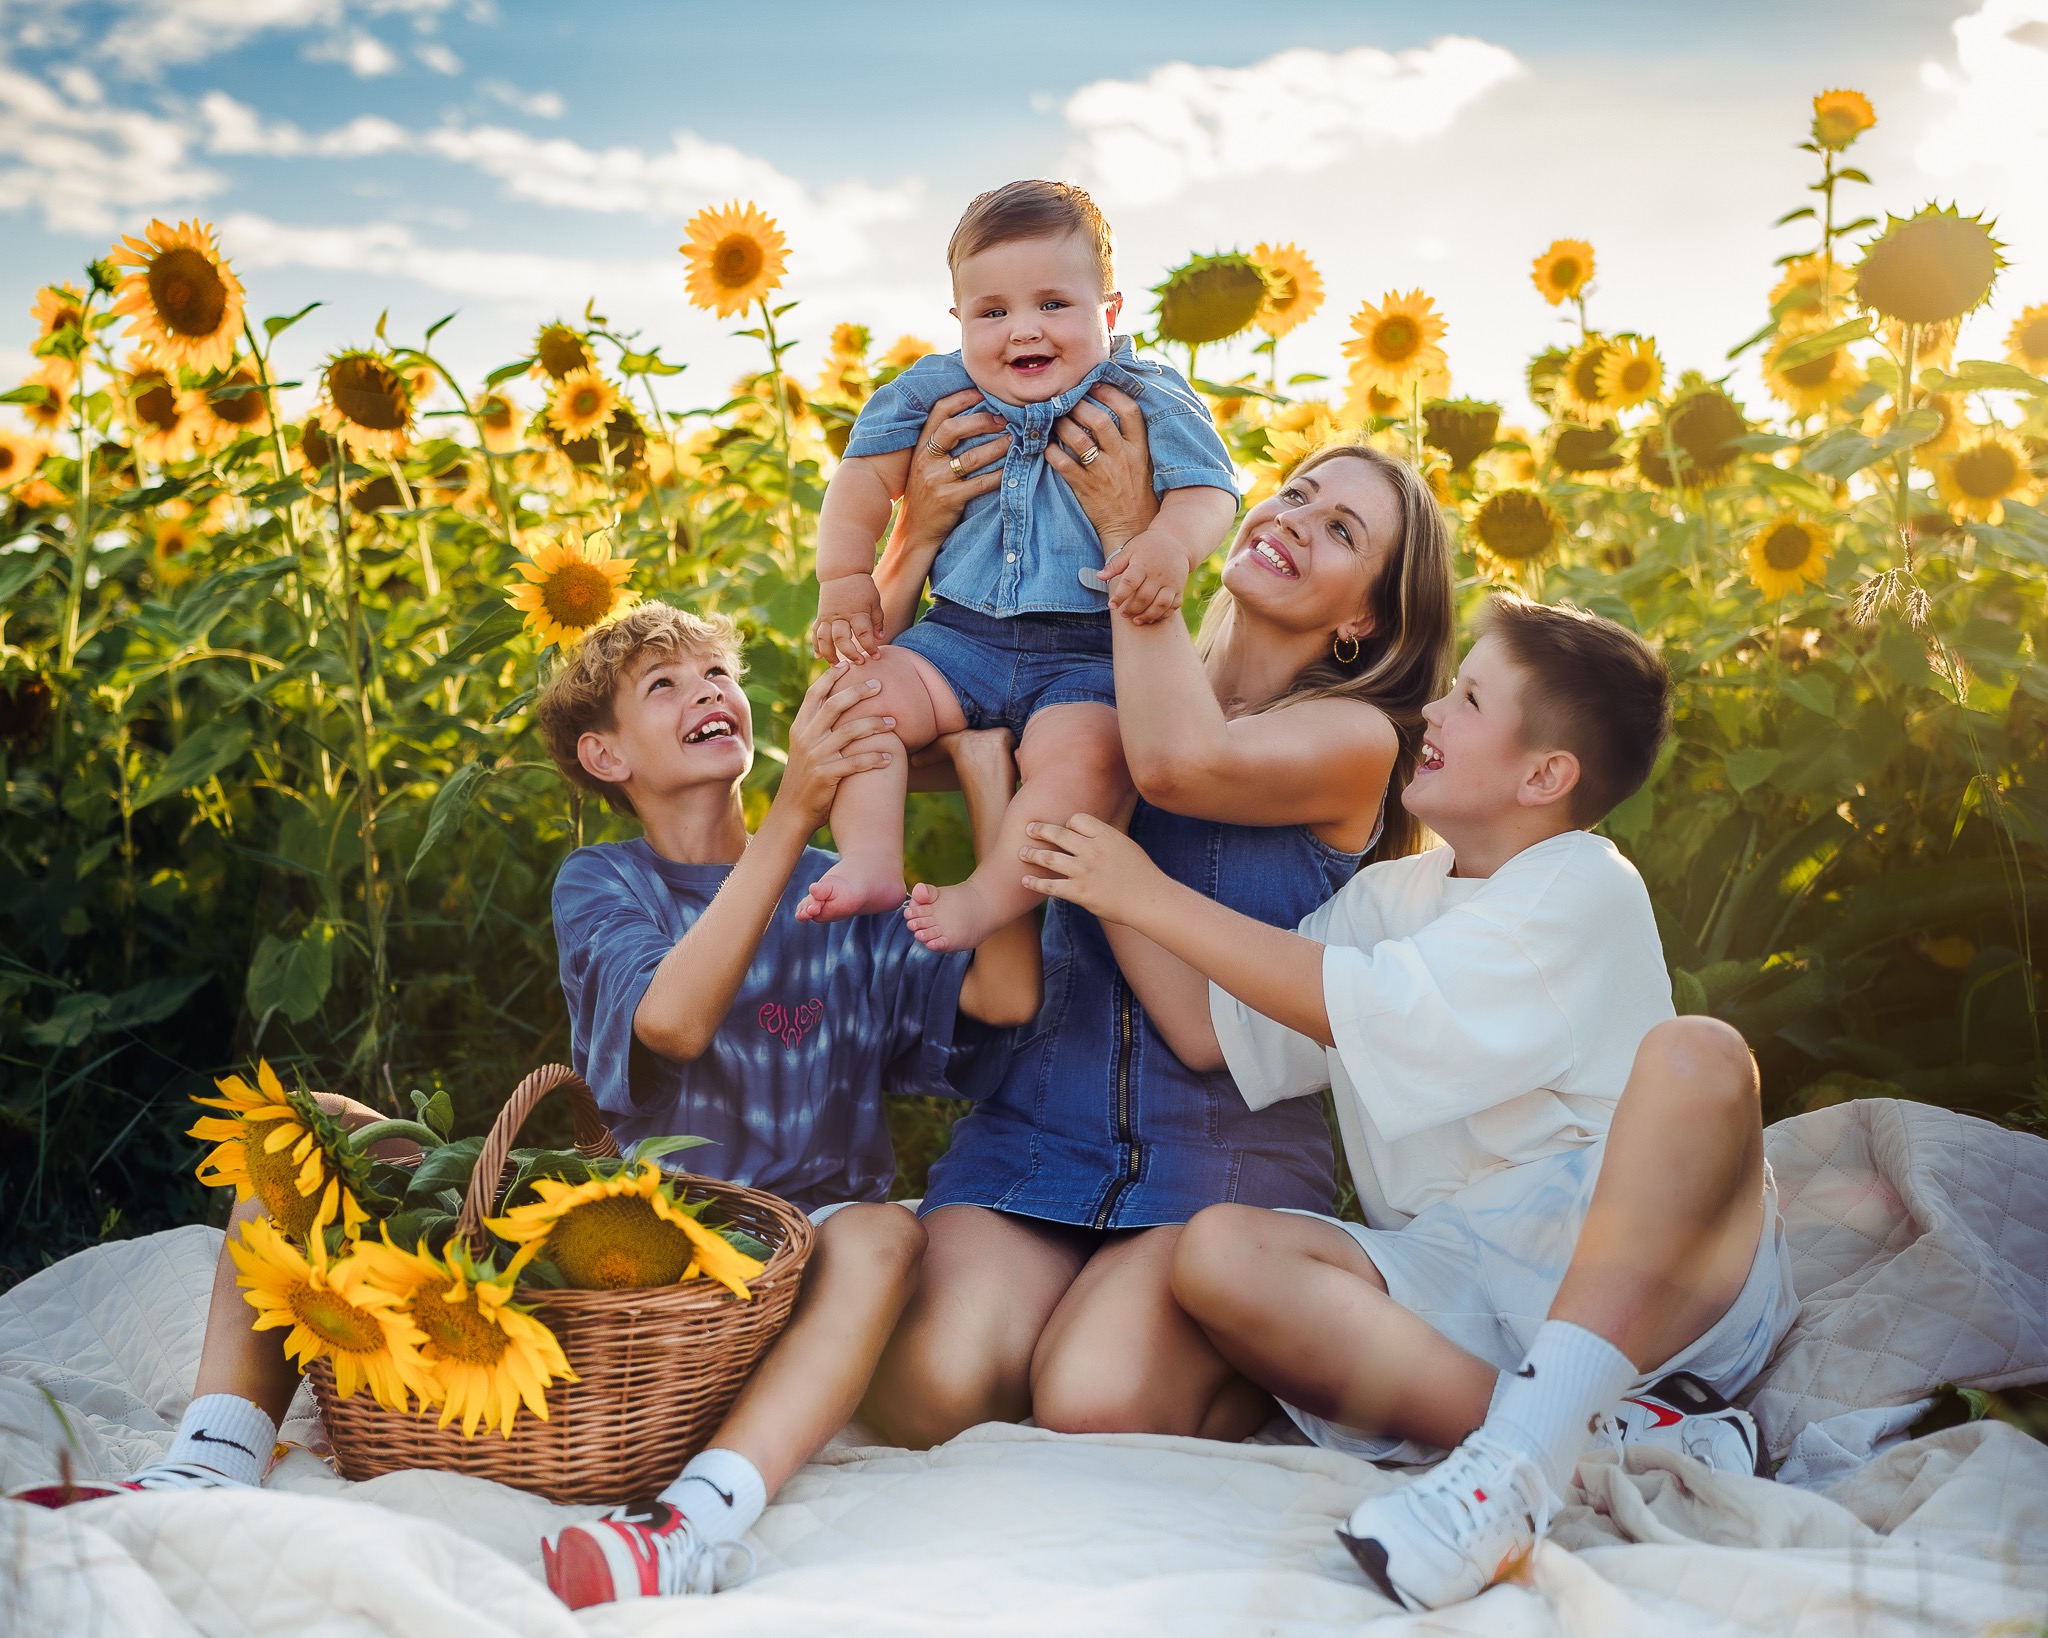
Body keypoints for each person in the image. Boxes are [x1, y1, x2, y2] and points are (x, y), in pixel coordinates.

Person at [19, 603, 1042, 1614]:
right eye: (665, 685)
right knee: (299, 1126)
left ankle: (690, 1525)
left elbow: (1004, 997)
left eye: (718, 677)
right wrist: (792, 814)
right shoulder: (602, 883)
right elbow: (672, 1021)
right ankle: (208, 1459)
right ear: (605, 756)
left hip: (790, 1261)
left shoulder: (846, 891)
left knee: (883, 1235)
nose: (707, 693)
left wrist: (990, 780)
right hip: (630, 1245)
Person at [1015, 595, 1800, 1613]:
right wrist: (1103, 843)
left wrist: (1147, 893)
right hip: (1456, 1277)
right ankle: (1598, 1446)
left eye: (1468, 699)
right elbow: (1215, 1028)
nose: (1430, 712)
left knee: (1701, 1055)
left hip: (1635, 1277)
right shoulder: (1392, 899)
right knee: (1217, 1255)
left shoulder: (1582, 882)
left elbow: (1373, 1005)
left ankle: (1514, 1464)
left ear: (1543, 776)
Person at [859, 388, 1457, 1448]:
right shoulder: (1085, 672)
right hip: (1034, 1132)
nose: (1290, 520)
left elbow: (1177, 767)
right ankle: (1071, 1314)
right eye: (1295, 494)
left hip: (1218, 1171)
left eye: (1339, 531)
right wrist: (914, 539)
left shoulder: (1358, 740)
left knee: (1096, 1401)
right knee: (927, 1392)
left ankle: (1254, 1360)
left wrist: (1133, 533)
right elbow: (878, 716)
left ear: (1363, 619)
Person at [799, 179, 1241, 952]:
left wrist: (1168, 544)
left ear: (1109, 313)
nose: (1023, 330)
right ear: (959, 322)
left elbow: (1208, 489)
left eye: (1053, 304)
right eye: (993, 312)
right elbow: (863, 478)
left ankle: (987, 898)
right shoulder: (935, 388)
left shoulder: (1147, 393)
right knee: (855, 699)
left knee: (1091, 758)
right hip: (955, 638)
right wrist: (843, 577)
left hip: (1086, 655)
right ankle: (869, 858)